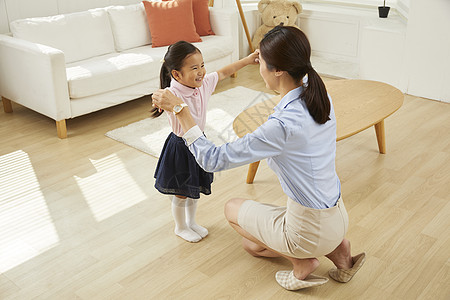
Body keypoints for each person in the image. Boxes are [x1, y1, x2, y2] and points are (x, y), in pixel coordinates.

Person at [151, 27, 365, 290]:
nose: (258, 67)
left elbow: (212, 160)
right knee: (253, 244)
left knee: (233, 211)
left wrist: (180, 111)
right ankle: (338, 251)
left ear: (278, 70)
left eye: (260, 61)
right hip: (338, 217)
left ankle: (302, 262)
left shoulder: (281, 125)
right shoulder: (319, 95)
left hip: (310, 228)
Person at [152, 41, 259, 243]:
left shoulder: (202, 84)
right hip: (180, 147)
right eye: (194, 68)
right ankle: (180, 227)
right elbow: (159, 98)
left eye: (202, 65)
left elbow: (224, 72)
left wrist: (247, 60)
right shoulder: (172, 93)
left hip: (199, 142)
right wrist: (158, 98)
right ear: (177, 75)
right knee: (181, 193)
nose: (201, 72)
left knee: (193, 190)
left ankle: (191, 223)